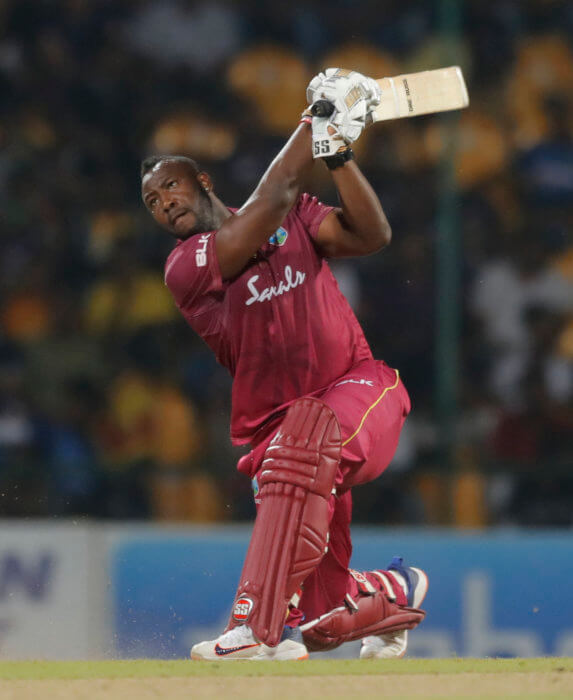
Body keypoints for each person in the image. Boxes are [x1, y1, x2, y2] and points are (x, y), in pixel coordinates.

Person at [141, 69, 428, 660]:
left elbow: (372, 234)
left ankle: (254, 631)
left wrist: (339, 154)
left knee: (303, 440)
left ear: (200, 181)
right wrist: (318, 115)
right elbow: (272, 198)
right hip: (284, 439)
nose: (163, 203)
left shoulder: (297, 219)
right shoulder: (187, 267)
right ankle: (391, 592)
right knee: (326, 617)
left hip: (359, 390)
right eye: (151, 202)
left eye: (170, 187)